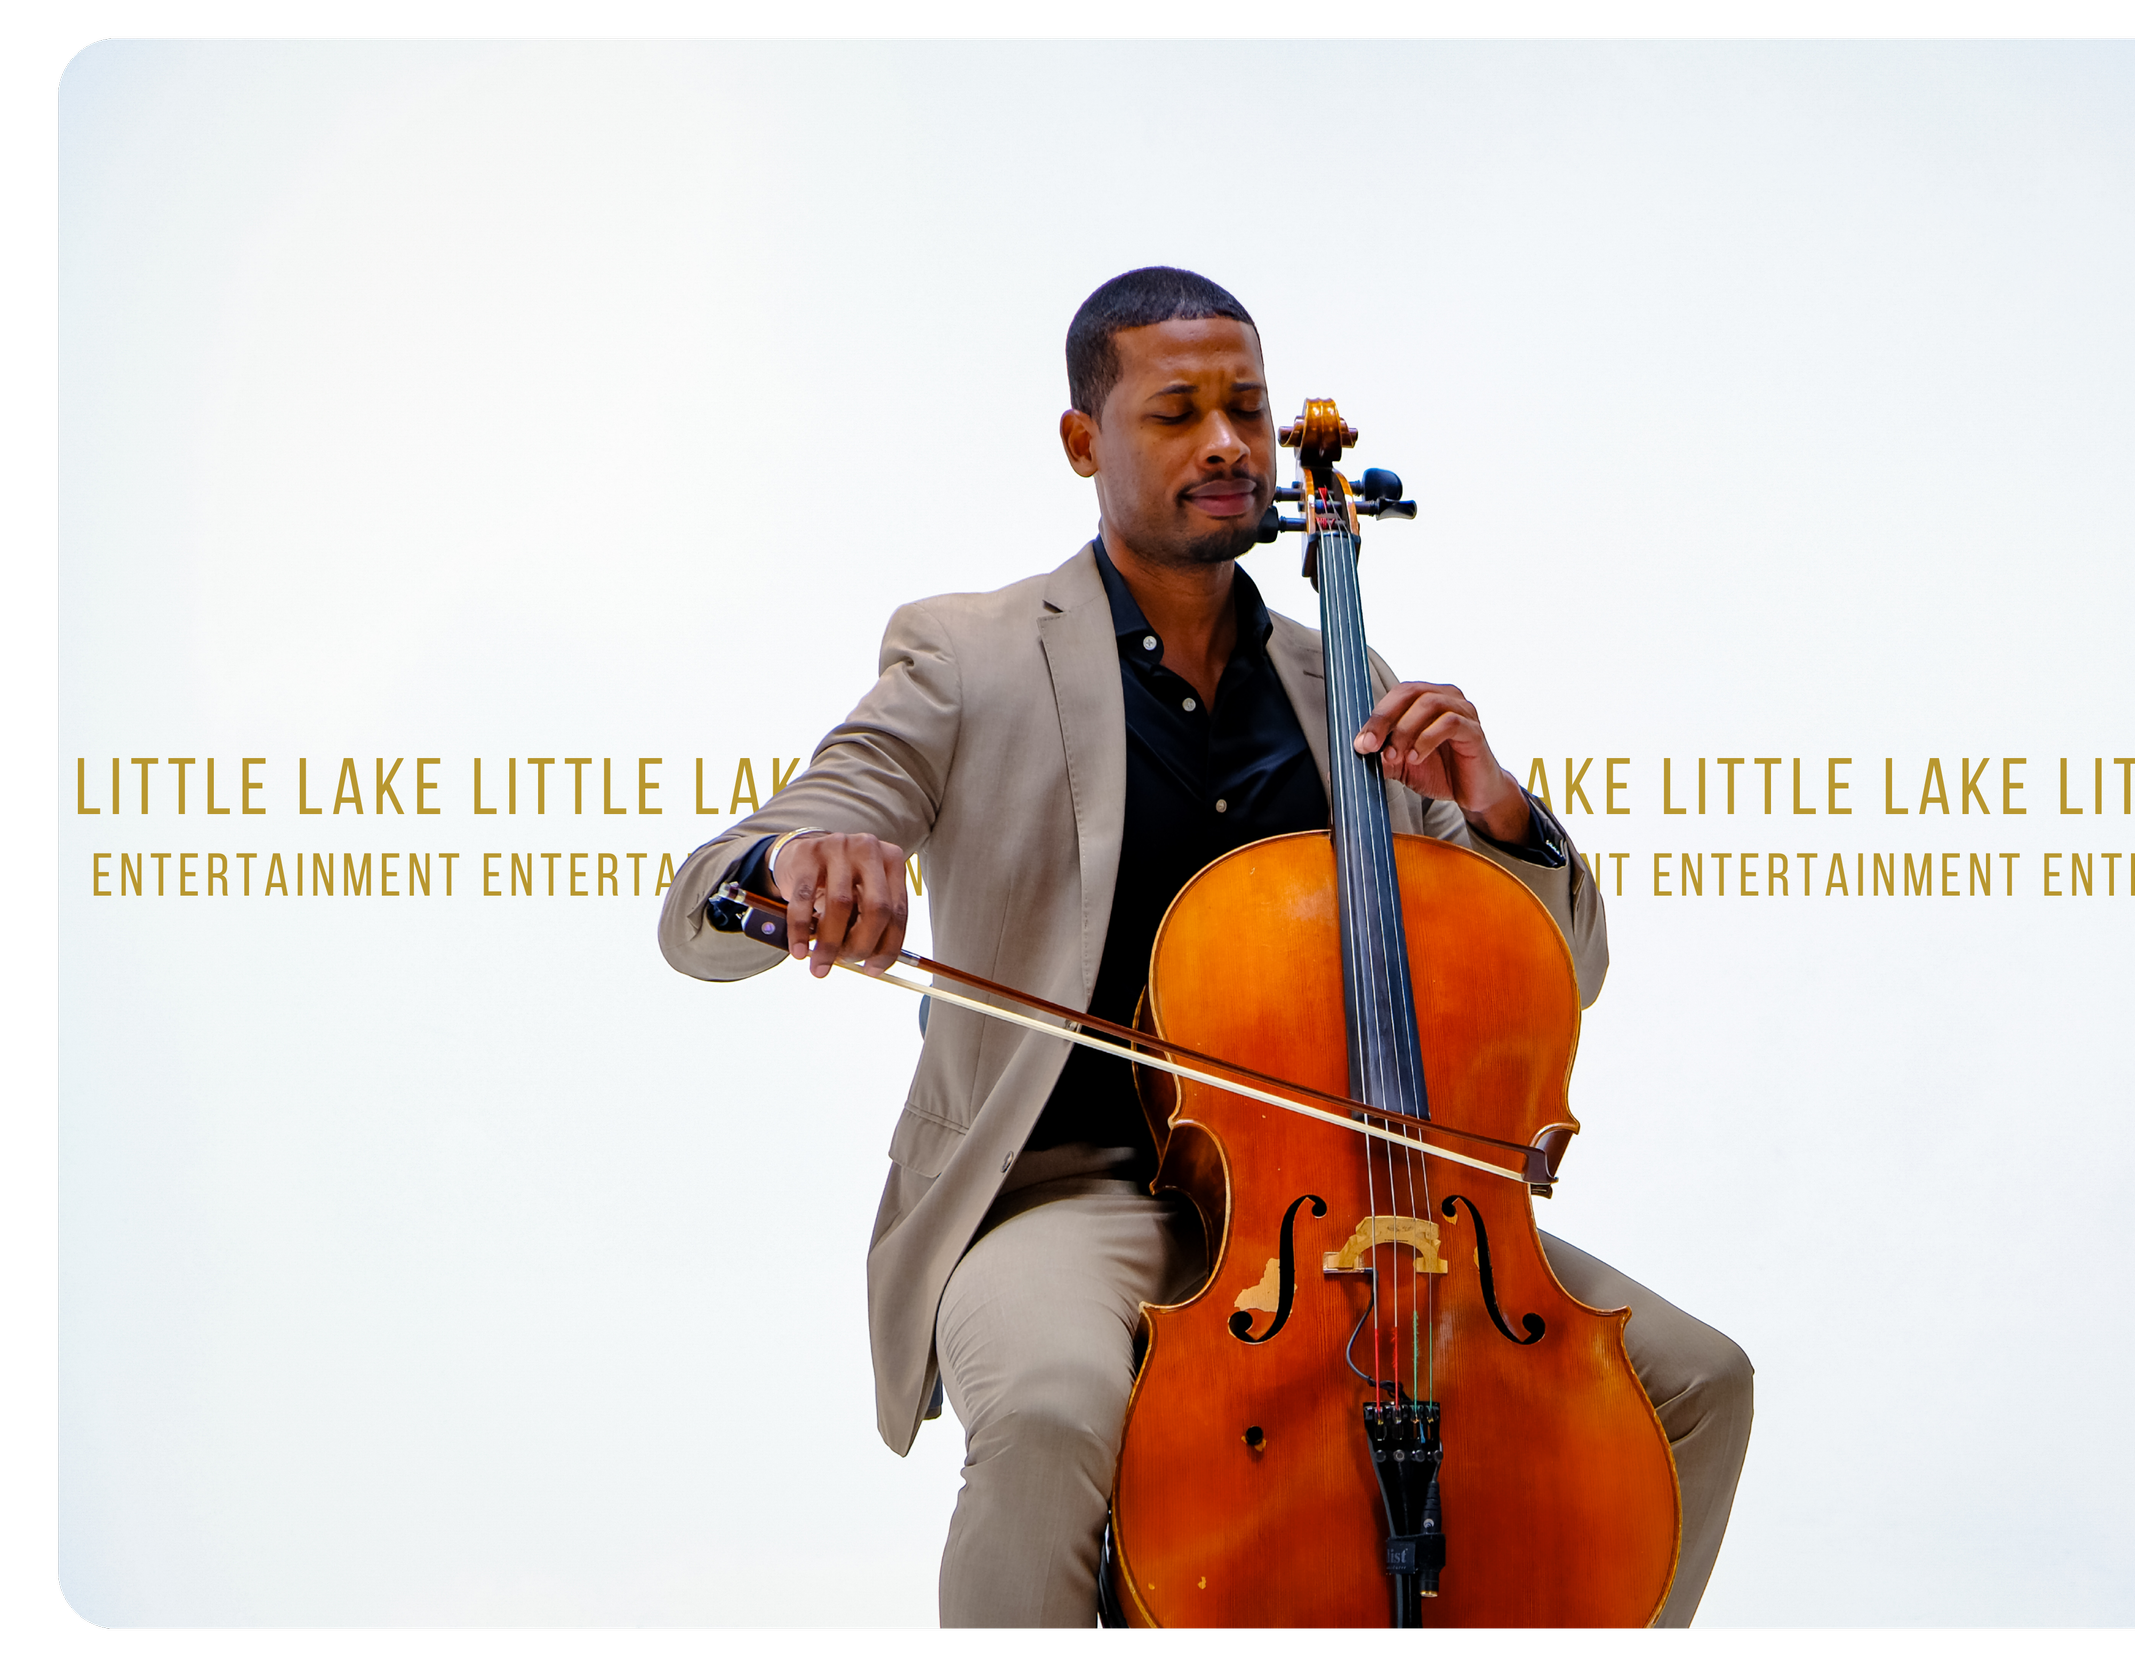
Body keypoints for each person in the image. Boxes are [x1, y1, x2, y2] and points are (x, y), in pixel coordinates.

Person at [658, 267, 1752, 1628]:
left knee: (1699, 1379)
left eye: (1247, 407)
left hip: (1361, 1202)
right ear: (1084, 442)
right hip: (1062, 1194)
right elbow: (736, 873)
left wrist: (1502, 810)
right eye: (1177, 412)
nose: (1229, 443)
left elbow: (1555, 970)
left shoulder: (1342, 687)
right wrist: (798, 863)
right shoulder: (970, 650)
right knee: (1055, 1415)